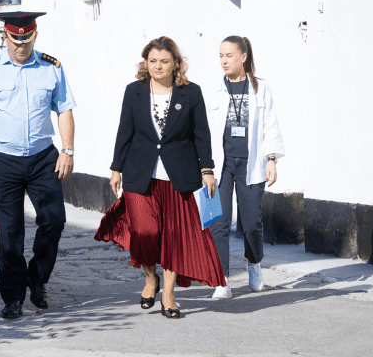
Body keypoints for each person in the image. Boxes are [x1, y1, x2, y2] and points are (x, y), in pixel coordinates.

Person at [94, 36, 225, 319]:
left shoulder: (191, 93)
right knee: (145, 233)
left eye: (164, 61)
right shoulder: (134, 91)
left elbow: (202, 134)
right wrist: (116, 168)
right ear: (145, 62)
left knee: (174, 238)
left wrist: (208, 170)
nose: (157, 66)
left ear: (176, 63)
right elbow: (124, 131)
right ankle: (150, 277)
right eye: (152, 61)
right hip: (140, 175)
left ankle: (168, 293)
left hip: (180, 176)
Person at [0, 11, 77, 320]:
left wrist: (67, 150)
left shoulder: (52, 67)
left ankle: (37, 280)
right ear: (5, 37)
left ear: (34, 36)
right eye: (15, 40)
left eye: (26, 40)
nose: (20, 47)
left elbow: (64, 110)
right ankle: (13, 297)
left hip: (43, 157)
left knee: (54, 220)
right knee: (10, 232)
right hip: (2, 159)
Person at [207, 36, 285, 298]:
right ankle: (222, 279)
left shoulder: (260, 89)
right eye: (220, 56)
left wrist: (271, 159)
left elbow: (270, 125)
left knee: (251, 223)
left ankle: (254, 265)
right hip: (221, 166)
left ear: (243, 56)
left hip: (251, 164)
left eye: (229, 55)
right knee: (218, 221)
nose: (224, 61)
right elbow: (203, 129)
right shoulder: (213, 89)